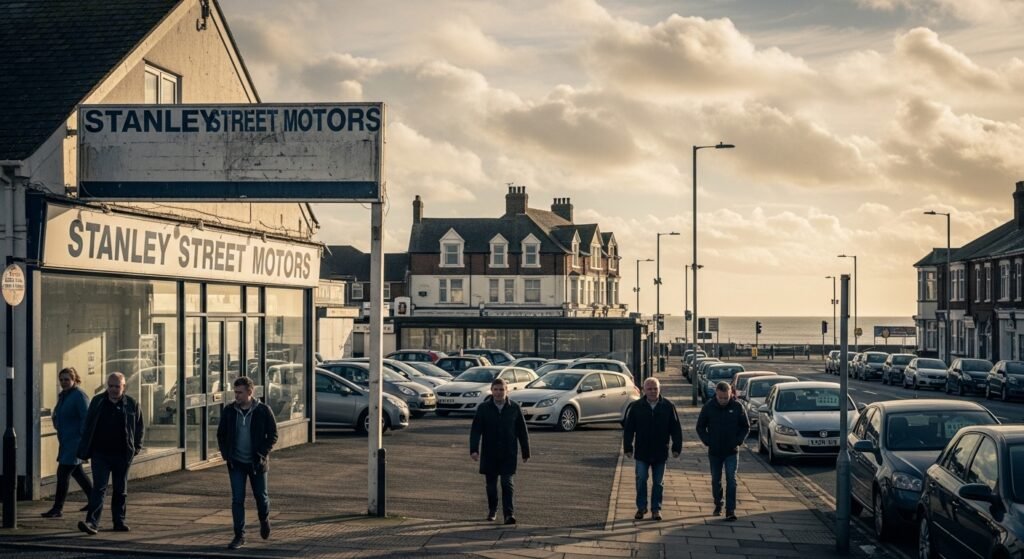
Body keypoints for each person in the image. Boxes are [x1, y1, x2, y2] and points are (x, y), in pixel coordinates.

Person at [77, 372, 144, 535]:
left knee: (120, 489)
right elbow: (88, 424)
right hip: (100, 454)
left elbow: (139, 427)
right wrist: (87, 448)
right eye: (111, 386)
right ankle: (92, 523)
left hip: (122, 454)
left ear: (124, 387)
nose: (113, 390)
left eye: (117, 386)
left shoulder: (132, 404)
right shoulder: (98, 401)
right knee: (99, 488)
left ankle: (119, 521)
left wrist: (136, 448)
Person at [217, 376, 279, 550]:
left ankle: (264, 519)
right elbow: (221, 434)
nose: (236, 396)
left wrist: (261, 454)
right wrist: (226, 455)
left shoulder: (263, 411)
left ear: (250, 392)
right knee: (237, 500)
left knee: (261, 496)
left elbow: (273, 435)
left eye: (239, 392)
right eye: (235, 392)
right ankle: (239, 535)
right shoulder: (229, 411)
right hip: (236, 463)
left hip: (257, 463)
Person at [469, 377, 530, 525]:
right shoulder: (483, 408)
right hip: (489, 453)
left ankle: (509, 514)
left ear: (507, 391)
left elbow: (522, 430)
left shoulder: (514, 408)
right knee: (491, 485)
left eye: (501, 389)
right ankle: (492, 509)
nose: (498, 392)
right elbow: (476, 430)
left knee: (506, 482)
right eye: (495, 389)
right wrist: (474, 450)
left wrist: (525, 451)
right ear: (491, 390)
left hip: (508, 452)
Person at [622, 377, 682, 521]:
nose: (653, 391)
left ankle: (656, 509)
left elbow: (676, 429)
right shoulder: (636, 407)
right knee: (641, 479)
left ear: (659, 389)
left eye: (655, 388)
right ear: (644, 390)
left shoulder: (668, 406)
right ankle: (641, 508)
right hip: (642, 451)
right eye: (649, 388)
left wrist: (676, 447)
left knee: (658, 483)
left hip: (660, 451)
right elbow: (629, 429)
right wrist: (628, 447)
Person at [41, 367, 93, 518]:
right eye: (61, 380)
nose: (63, 382)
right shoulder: (64, 395)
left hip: (75, 442)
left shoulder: (79, 395)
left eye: (67, 380)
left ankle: (57, 508)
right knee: (78, 472)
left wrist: (84, 440)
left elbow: (86, 418)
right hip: (65, 440)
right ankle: (94, 500)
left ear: (74, 380)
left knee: (62, 473)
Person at [696, 381, 750, 521]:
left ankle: (730, 510)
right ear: (716, 395)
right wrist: (708, 441)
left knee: (731, 480)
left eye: (726, 397)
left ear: (731, 394)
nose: (724, 400)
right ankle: (718, 503)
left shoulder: (738, 407)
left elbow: (746, 427)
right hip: (715, 451)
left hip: (732, 451)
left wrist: (738, 441)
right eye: (721, 398)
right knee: (716, 480)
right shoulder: (709, 407)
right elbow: (700, 427)